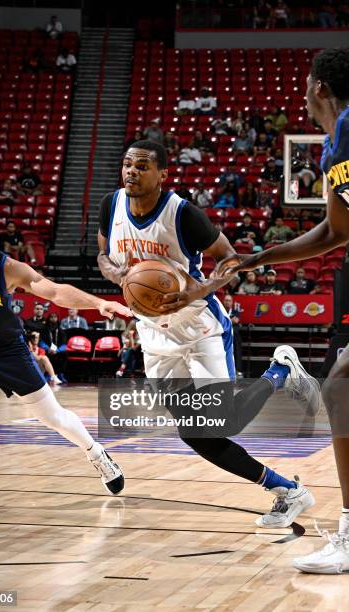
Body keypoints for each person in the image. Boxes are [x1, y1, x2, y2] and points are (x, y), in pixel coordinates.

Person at [97, 139, 319, 530]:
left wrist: (196, 290)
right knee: (196, 434)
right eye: (127, 164)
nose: (131, 171)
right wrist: (117, 274)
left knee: (221, 422)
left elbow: (230, 259)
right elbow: (102, 254)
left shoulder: (183, 214)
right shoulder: (110, 206)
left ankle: (279, 370)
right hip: (152, 333)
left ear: (163, 174)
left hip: (200, 326)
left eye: (142, 166)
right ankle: (288, 490)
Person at [217, 48, 349, 573]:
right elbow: (337, 231)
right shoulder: (334, 145)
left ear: (317, 85)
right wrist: (260, 257)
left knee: (341, 384)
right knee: (342, 384)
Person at [0, 198, 131, 509]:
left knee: (52, 416)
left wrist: (98, 303)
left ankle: (96, 452)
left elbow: (55, 291)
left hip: (7, 350)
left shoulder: (8, 268)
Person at [223, 294, 243, 377]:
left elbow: (236, 321)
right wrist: (230, 320)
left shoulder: (236, 311)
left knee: (237, 352)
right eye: (226, 300)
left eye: (229, 300)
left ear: (232, 302)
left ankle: (238, 370)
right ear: (223, 302)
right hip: (223, 335)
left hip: (234, 335)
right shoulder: (221, 311)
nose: (227, 302)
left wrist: (226, 321)